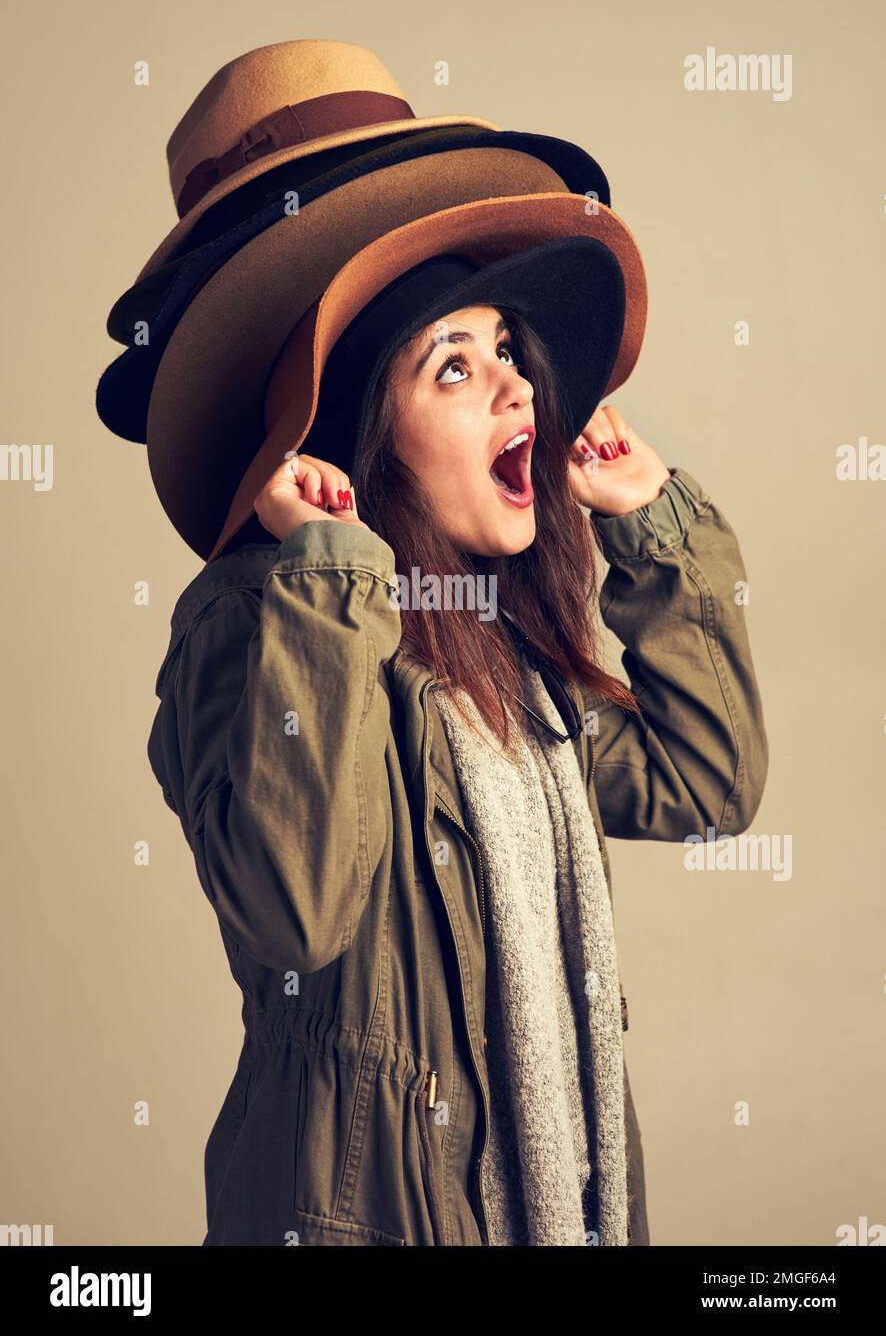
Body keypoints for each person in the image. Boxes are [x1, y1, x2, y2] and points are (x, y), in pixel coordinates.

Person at [147, 223, 769, 1247]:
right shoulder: (262, 624)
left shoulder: (505, 665)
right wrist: (331, 576)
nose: (517, 388)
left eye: (506, 353)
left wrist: (652, 524)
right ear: (366, 447)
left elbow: (705, 781)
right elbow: (293, 917)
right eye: (453, 367)